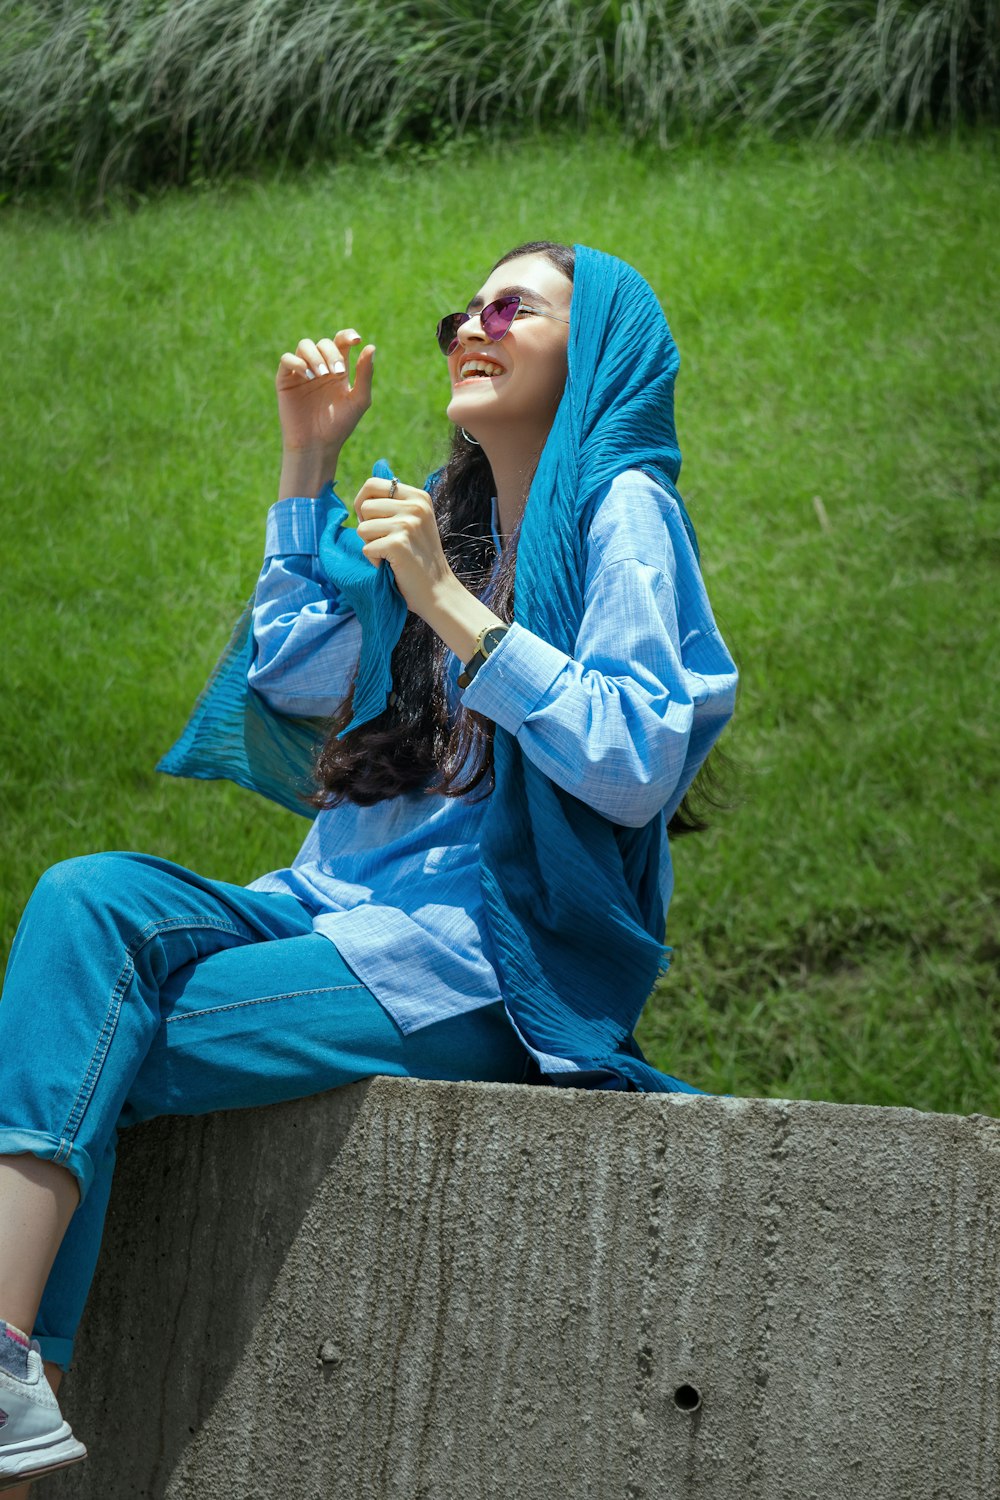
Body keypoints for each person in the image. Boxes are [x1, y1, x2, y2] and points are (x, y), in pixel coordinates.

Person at [0, 240, 738, 1489]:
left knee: (77, 1047)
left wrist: (448, 602)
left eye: (518, 307)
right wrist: (309, 464)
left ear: (597, 344)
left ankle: (14, 1381)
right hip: (319, 912)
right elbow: (291, 677)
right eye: (466, 306)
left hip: (468, 964)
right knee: (89, 900)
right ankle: (10, 1369)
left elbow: (636, 756)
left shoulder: (622, 514)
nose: (475, 323)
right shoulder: (433, 520)